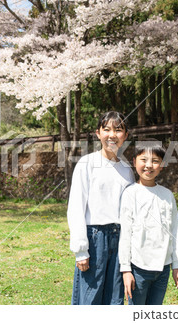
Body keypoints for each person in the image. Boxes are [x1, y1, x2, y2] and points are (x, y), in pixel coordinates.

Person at [67, 111, 135, 305]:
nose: (112, 135)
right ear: (98, 133)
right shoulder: (87, 163)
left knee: (114, 297)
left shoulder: (126, 168)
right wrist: (81, 250)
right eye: (106, 129)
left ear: (126, 135)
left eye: (118, 130)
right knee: (90, 298)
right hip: (95, 238)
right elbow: (76, 208)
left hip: (120, 237)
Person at [118, 140, 178, 305]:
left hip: (163, 269)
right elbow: (125, 234)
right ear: (134, 162)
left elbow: (174, 231)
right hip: (139, 268)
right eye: (144, 160)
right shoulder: (130, 194)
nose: (149, 165)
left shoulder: (167, 195)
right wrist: (126, 270)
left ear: (161, 166)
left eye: (155, 161)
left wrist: (176, 266)